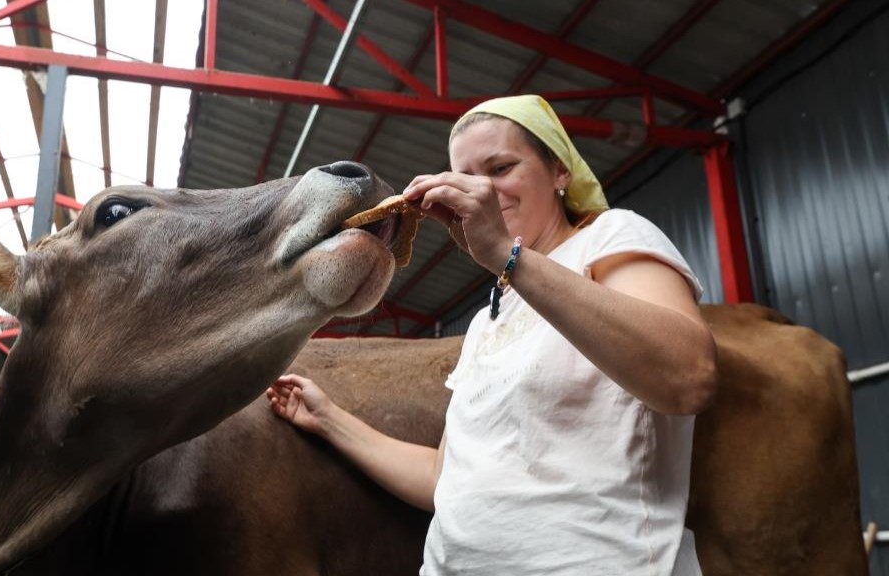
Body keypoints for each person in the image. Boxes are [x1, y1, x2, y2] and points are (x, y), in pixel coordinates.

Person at [266, 94, 717, 575]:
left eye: (501, 168)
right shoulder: (488, 321)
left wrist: (508, 256)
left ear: (560, 171)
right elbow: (446, 478)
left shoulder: (609, 237)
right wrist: (329, 419)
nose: (483, 190)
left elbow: (687, 376)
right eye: (468, 176)